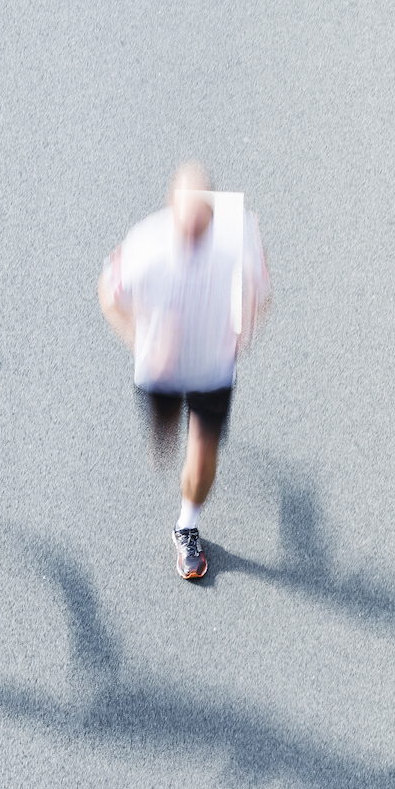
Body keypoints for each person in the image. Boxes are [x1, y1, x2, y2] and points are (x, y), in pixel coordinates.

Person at [97, 162, 271, 580]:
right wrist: (141, 342)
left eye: (201, 222)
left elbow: (262, 292)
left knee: (202, 456)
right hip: (160, 372)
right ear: (169, 208)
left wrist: (243, 328)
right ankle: (166, 425)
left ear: (212, 210)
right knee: (164, 434)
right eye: (184, 222)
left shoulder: (238, 234)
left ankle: (186, 527)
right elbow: (108, 296)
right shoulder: (144, 245)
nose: (193, 233)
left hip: (212, 370)